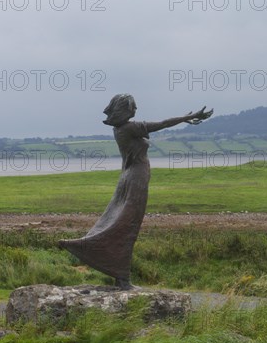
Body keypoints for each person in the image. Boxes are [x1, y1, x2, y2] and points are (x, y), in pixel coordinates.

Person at [59, 94, 213, 289]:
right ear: (124, 109)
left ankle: (116, 271)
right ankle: (121, 277)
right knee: (127, 225)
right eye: (133, 107)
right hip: (136, 178)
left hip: (129, 177)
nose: (136, 110)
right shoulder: (129, 128)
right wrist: (185, 117)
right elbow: (163, 124)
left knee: (119, 220)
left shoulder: (119, 129)